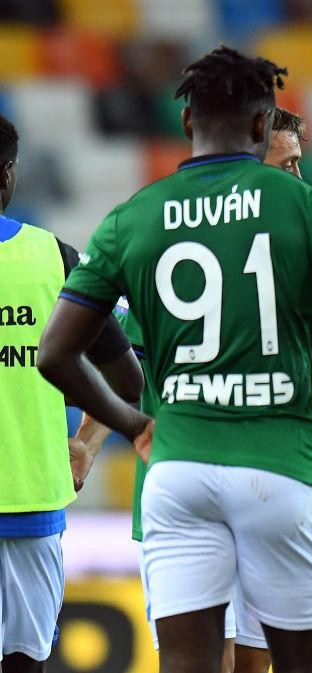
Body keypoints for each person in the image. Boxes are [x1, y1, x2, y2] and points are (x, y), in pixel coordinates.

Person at [37, 46, 312, 673]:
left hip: (178, 472)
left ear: (187, 122)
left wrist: (128, 427)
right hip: (278, 472)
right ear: (264, 125)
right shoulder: (308, 209)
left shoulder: (134, 219)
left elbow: (60, 352)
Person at [97, 104, 312, 673]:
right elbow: (127, 360)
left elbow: (287, 392)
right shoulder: (178, 246)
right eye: (283, 165)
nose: (294, 181)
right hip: (189, 484)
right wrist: (89, 443)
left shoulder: (282, 258)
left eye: (299, 167)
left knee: (254, 662)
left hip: (268, 479)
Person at [0, 113, 142, 673]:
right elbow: (129, 373)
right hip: (32, 498)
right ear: (7, 175)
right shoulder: (55, 258)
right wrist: (86, 440)